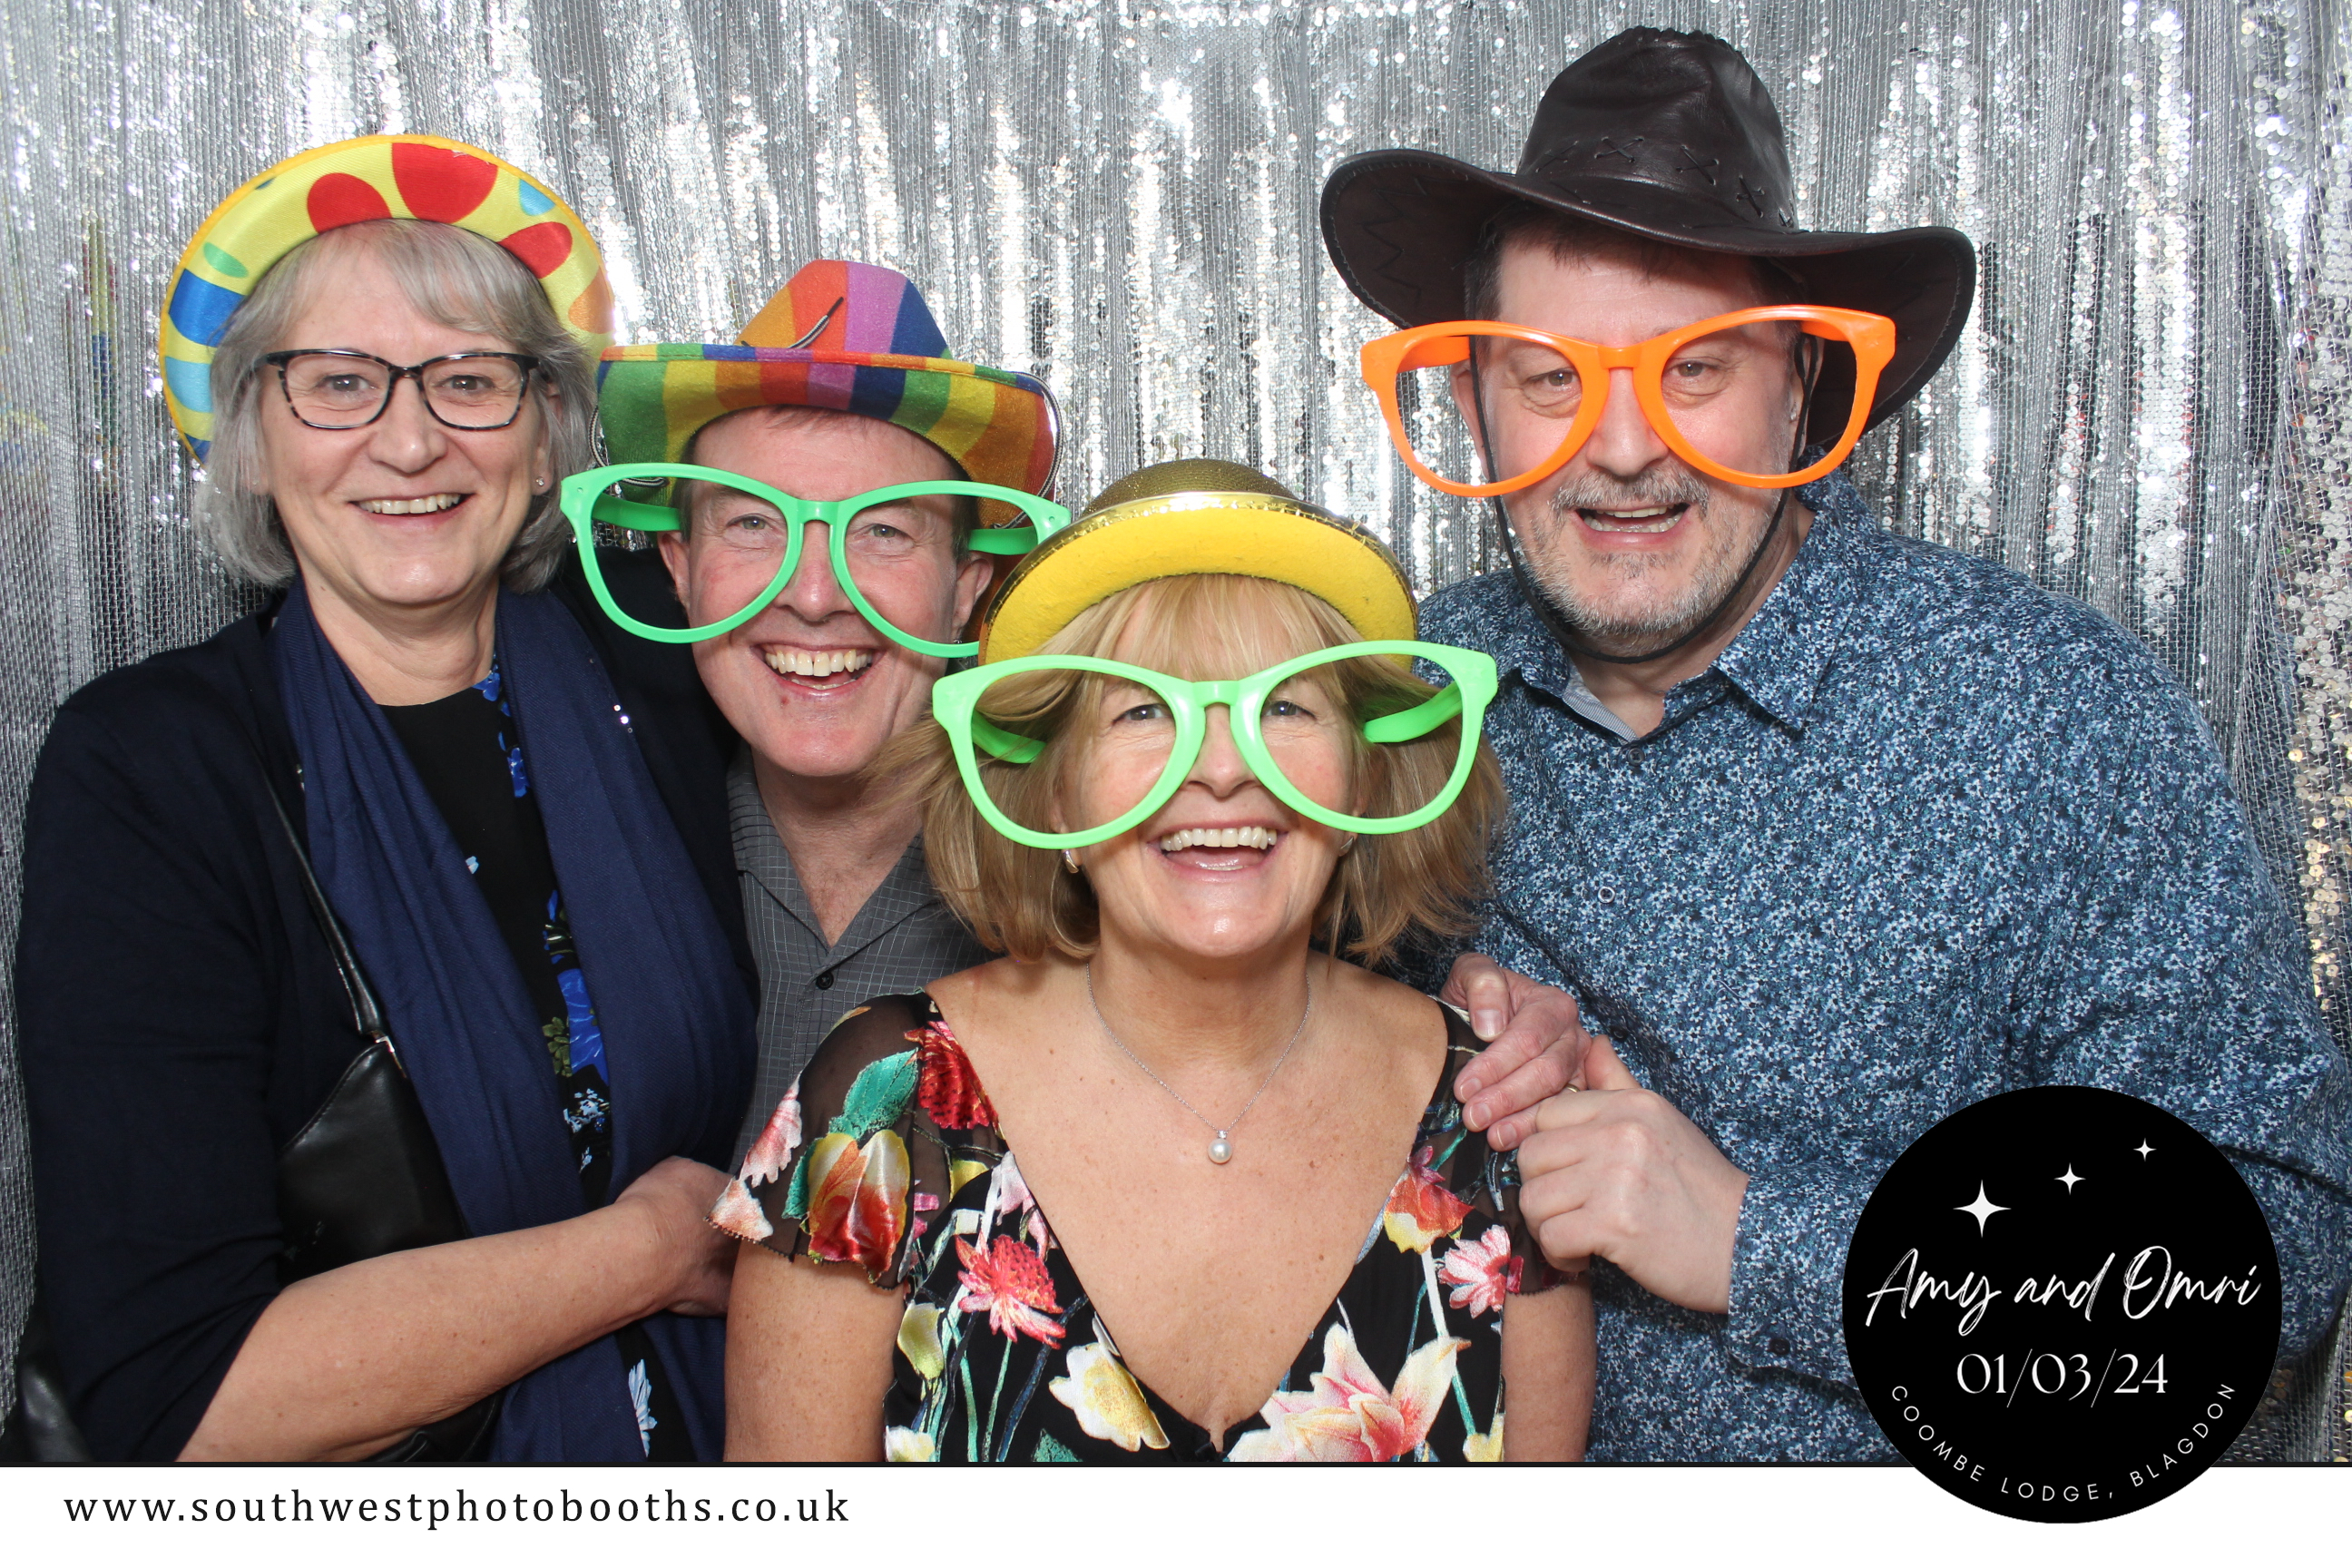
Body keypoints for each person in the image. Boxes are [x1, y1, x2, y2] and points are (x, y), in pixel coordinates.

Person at [1320, 27, 2352, 1459]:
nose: (1619, 448)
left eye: (1697, 371)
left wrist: (1759, 1243)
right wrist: (1412, 1028)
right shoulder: (1390, 699)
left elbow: (2268, 1255)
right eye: (1548, 376)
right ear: (1470, 405)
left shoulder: (2051, 718)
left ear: (1804, 387)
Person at [18, 135, 752, 1462]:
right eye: (339, 384)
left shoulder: (669, 665)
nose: (409, 440)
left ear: (545, 437)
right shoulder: (150, 768)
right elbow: (182, 1400)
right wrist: (645, 1251)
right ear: (249, 441)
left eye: (469, 381)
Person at [573, 262, 1597, 1169]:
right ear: (678, 565)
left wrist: (1496, 1020)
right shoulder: (585, 836)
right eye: (753, 525)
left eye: (882, 532)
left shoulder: (1132, 862)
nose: (811, 593)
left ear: (971, 581)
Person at [713, 460, 1594, 1462]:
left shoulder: (1499, 1113)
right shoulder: (884, 1101)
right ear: (1053, 800)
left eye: (1287, 707)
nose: (1221, 768)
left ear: (1365, 779)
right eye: (1141, 711)